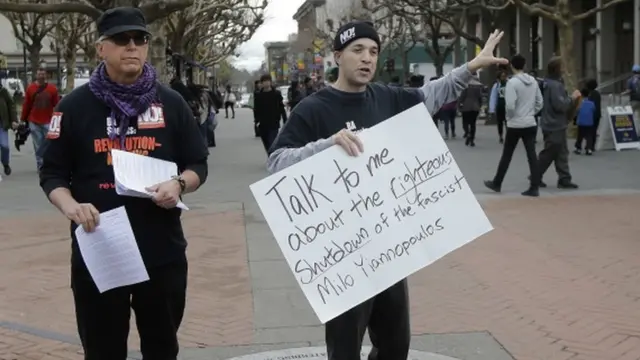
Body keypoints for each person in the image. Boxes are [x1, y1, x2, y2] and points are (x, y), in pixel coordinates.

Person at [266, 20, 507, 360]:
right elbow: (276, 163)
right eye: (358, 50)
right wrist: (326, 146)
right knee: (345, 348)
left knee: (395, 345)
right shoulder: (313, 109)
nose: (367, 59)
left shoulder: (389, 98)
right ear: (338, 56)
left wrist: (471, 66)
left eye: (374, 52)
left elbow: (434, 95)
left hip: (390, 248)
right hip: (341, 255)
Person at [38, 7, 208, 359]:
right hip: (100, 249)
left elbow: (198, 164)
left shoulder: (172, 103)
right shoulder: (73, 107)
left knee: (162, 348)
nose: (132, 46)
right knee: (103, 350)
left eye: (140, 39)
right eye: (121, 39)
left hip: (161, 251)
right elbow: (52, 173)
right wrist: (71, 207)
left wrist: (178, 184)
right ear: (101, 48)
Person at [484, 54, 543, 197]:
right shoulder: (533, 81)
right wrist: (530, 113)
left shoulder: (512, 83)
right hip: (530, 123)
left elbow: (510, 105)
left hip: (515, 124)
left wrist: (509, 118)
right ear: (524, 65)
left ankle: (497, 182)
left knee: (507, 155)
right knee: (532, 155)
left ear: (512, 66)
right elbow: (539, 102)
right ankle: (534, 186)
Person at [535, 56, 580, 189]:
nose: (565, 69)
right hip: (554, 124)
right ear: (557, 69)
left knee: (561, 151)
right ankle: (536, 175)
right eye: (562, 67)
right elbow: (560, 105)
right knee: (551, 152)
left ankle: (564, 178)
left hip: (551, 123)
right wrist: (572, 99)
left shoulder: (548, 83)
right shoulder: (555, 85)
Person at [21, 67, 59, 171]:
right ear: (36, 75)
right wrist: (23, 119)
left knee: (48, 144)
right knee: (38, 144)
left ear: (46, 75)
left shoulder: (52, 89)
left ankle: (49, 163)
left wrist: (58, 118)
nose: (41, 76)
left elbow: (57, 105)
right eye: (39, 74)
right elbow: (27, 104)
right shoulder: (30, 88)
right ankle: (40, 165)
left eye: (43, 74)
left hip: (48, 121)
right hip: (34, 121)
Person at [254, 74, 287, 153]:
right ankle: (270, 156)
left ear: (270, 82)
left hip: (274, 122)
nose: (266, 83)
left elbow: (281, 107)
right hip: (263, 123)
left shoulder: (276, 94)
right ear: (261, 83)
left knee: (272, 142)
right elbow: (256, 109)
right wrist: (256, 120)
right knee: (266, 143)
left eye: (268, 81)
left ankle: (272, 158)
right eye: (264, 81)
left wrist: (284, 118)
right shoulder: (259, 95)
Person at [458, 73, 483, 146]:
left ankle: (467, 132)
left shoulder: (465, 86)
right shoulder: (477, 86)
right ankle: (472, 139)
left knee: (465, 122)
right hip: (475, 107)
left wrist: (459, 105)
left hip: (466, 106)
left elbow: (462, 97)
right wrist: (479, 105)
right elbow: (480, 98)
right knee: (473, 124)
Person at [0, 83, 17, 175]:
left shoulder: (3, 91)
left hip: (2, 124)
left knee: (4, 146)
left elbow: (11, 105)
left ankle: (5, 164)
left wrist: (14, 120)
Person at [574, 88, 596, 155]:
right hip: (589, 122)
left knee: (580, 135)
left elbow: (577, 111)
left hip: (581, 122)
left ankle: (578, 148)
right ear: (589, 95)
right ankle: (589, 149)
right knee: (589, 136)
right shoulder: (592, 103)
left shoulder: (580, 103)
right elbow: (594, 110)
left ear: (581, 95)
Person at [489, 70, 508, 143]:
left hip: (507, 106)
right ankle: (500, 135)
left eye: (504, 76)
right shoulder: (496, 85)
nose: (504, 77)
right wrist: (492, 109)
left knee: (508, 122)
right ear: (499, 77)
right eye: (502, 76)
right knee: (500, 122)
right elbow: (493, 97)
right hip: (500, 106)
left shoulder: (509, 83)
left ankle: (508, 136)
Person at [585, 78, 601, 152]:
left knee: (589, 131)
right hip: (597, 114)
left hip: (590, 114)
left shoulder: (589, 94)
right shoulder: (597, 94)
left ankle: (589, 146)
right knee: (594, 130)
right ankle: (592, 146)